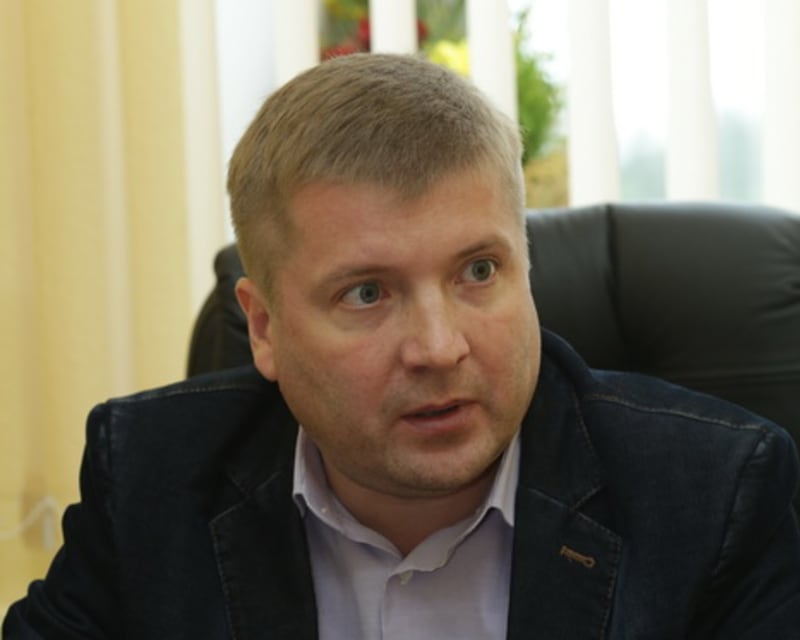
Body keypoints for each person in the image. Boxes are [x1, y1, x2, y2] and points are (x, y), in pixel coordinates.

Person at [4, 53, 799, 639]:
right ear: (265, 328)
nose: (439, 348)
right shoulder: (152, 475)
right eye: (367, 293)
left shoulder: (712, 495)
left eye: (478, 271)